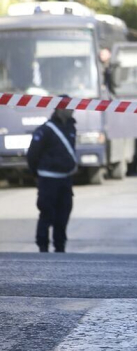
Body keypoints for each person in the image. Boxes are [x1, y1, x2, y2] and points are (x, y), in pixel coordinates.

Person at [26, 101, 78, 253]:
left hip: (65, 179)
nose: (73, 110)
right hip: (48, 179)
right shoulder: (46, 130)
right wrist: (35, 173)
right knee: (47, 213)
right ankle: (43, 246)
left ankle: (60, 246)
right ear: (60, 108)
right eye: (69, 107)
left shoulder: (71, 127)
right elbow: (33, 154)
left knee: (63, 214)